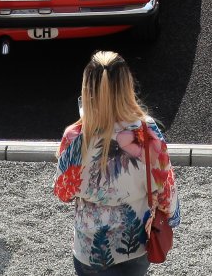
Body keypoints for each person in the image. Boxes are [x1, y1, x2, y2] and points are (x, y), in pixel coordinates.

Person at [54, 51, 179, 275]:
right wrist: (170, 217)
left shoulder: (76, 136)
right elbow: (165, 190)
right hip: (135, 243)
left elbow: (63, 193)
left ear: (87, 89)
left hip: (89, 248)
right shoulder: (147, 131)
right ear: (127, 86)